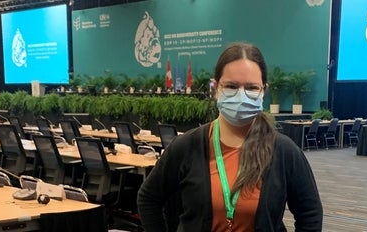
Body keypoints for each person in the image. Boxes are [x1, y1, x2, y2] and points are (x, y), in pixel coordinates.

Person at [137, 42, 323, 231]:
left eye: (251, 88)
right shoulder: (187, 146)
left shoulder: (284, 152)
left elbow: (310, 214)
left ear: (263, 91)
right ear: (216, 88)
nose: (241, 95)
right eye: (231, 86)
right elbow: (148, 199)